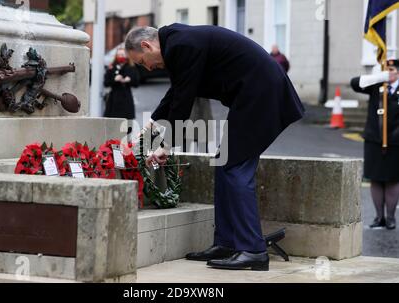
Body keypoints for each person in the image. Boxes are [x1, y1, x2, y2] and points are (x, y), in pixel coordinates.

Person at [125, 24, 304, 271]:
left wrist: (165, 145)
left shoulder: (181, 45)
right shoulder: (176, 43)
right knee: (225, 163)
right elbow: (177, 91)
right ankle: (228, 243)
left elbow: (184, 99)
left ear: (147, 45)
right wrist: (152, 124)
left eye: (143, 61)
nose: (147, 68)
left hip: (261, 92)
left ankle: (252, 250)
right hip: (252, 93)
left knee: (234, 167)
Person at [351, 59, 399, 230]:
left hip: (395, 143)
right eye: (386, 69)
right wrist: (379, 76)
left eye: (392, 69)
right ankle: (379, 217)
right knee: (376, 179)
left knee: (392, 179)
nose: (389, 72)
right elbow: (355, 83)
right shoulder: (376, 86)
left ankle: (391, 217)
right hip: (374, 141)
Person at [103, 47, 140, 119]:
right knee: (113, 122)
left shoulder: (131, 67)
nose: (121, 56)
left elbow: (136, 83)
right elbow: (106, 83)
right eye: (119, 55)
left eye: (123, 54)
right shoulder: (112, 67)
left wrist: (129, 80)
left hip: (126, 97)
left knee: (126, 124)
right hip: (114, 99)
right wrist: (114, 80)